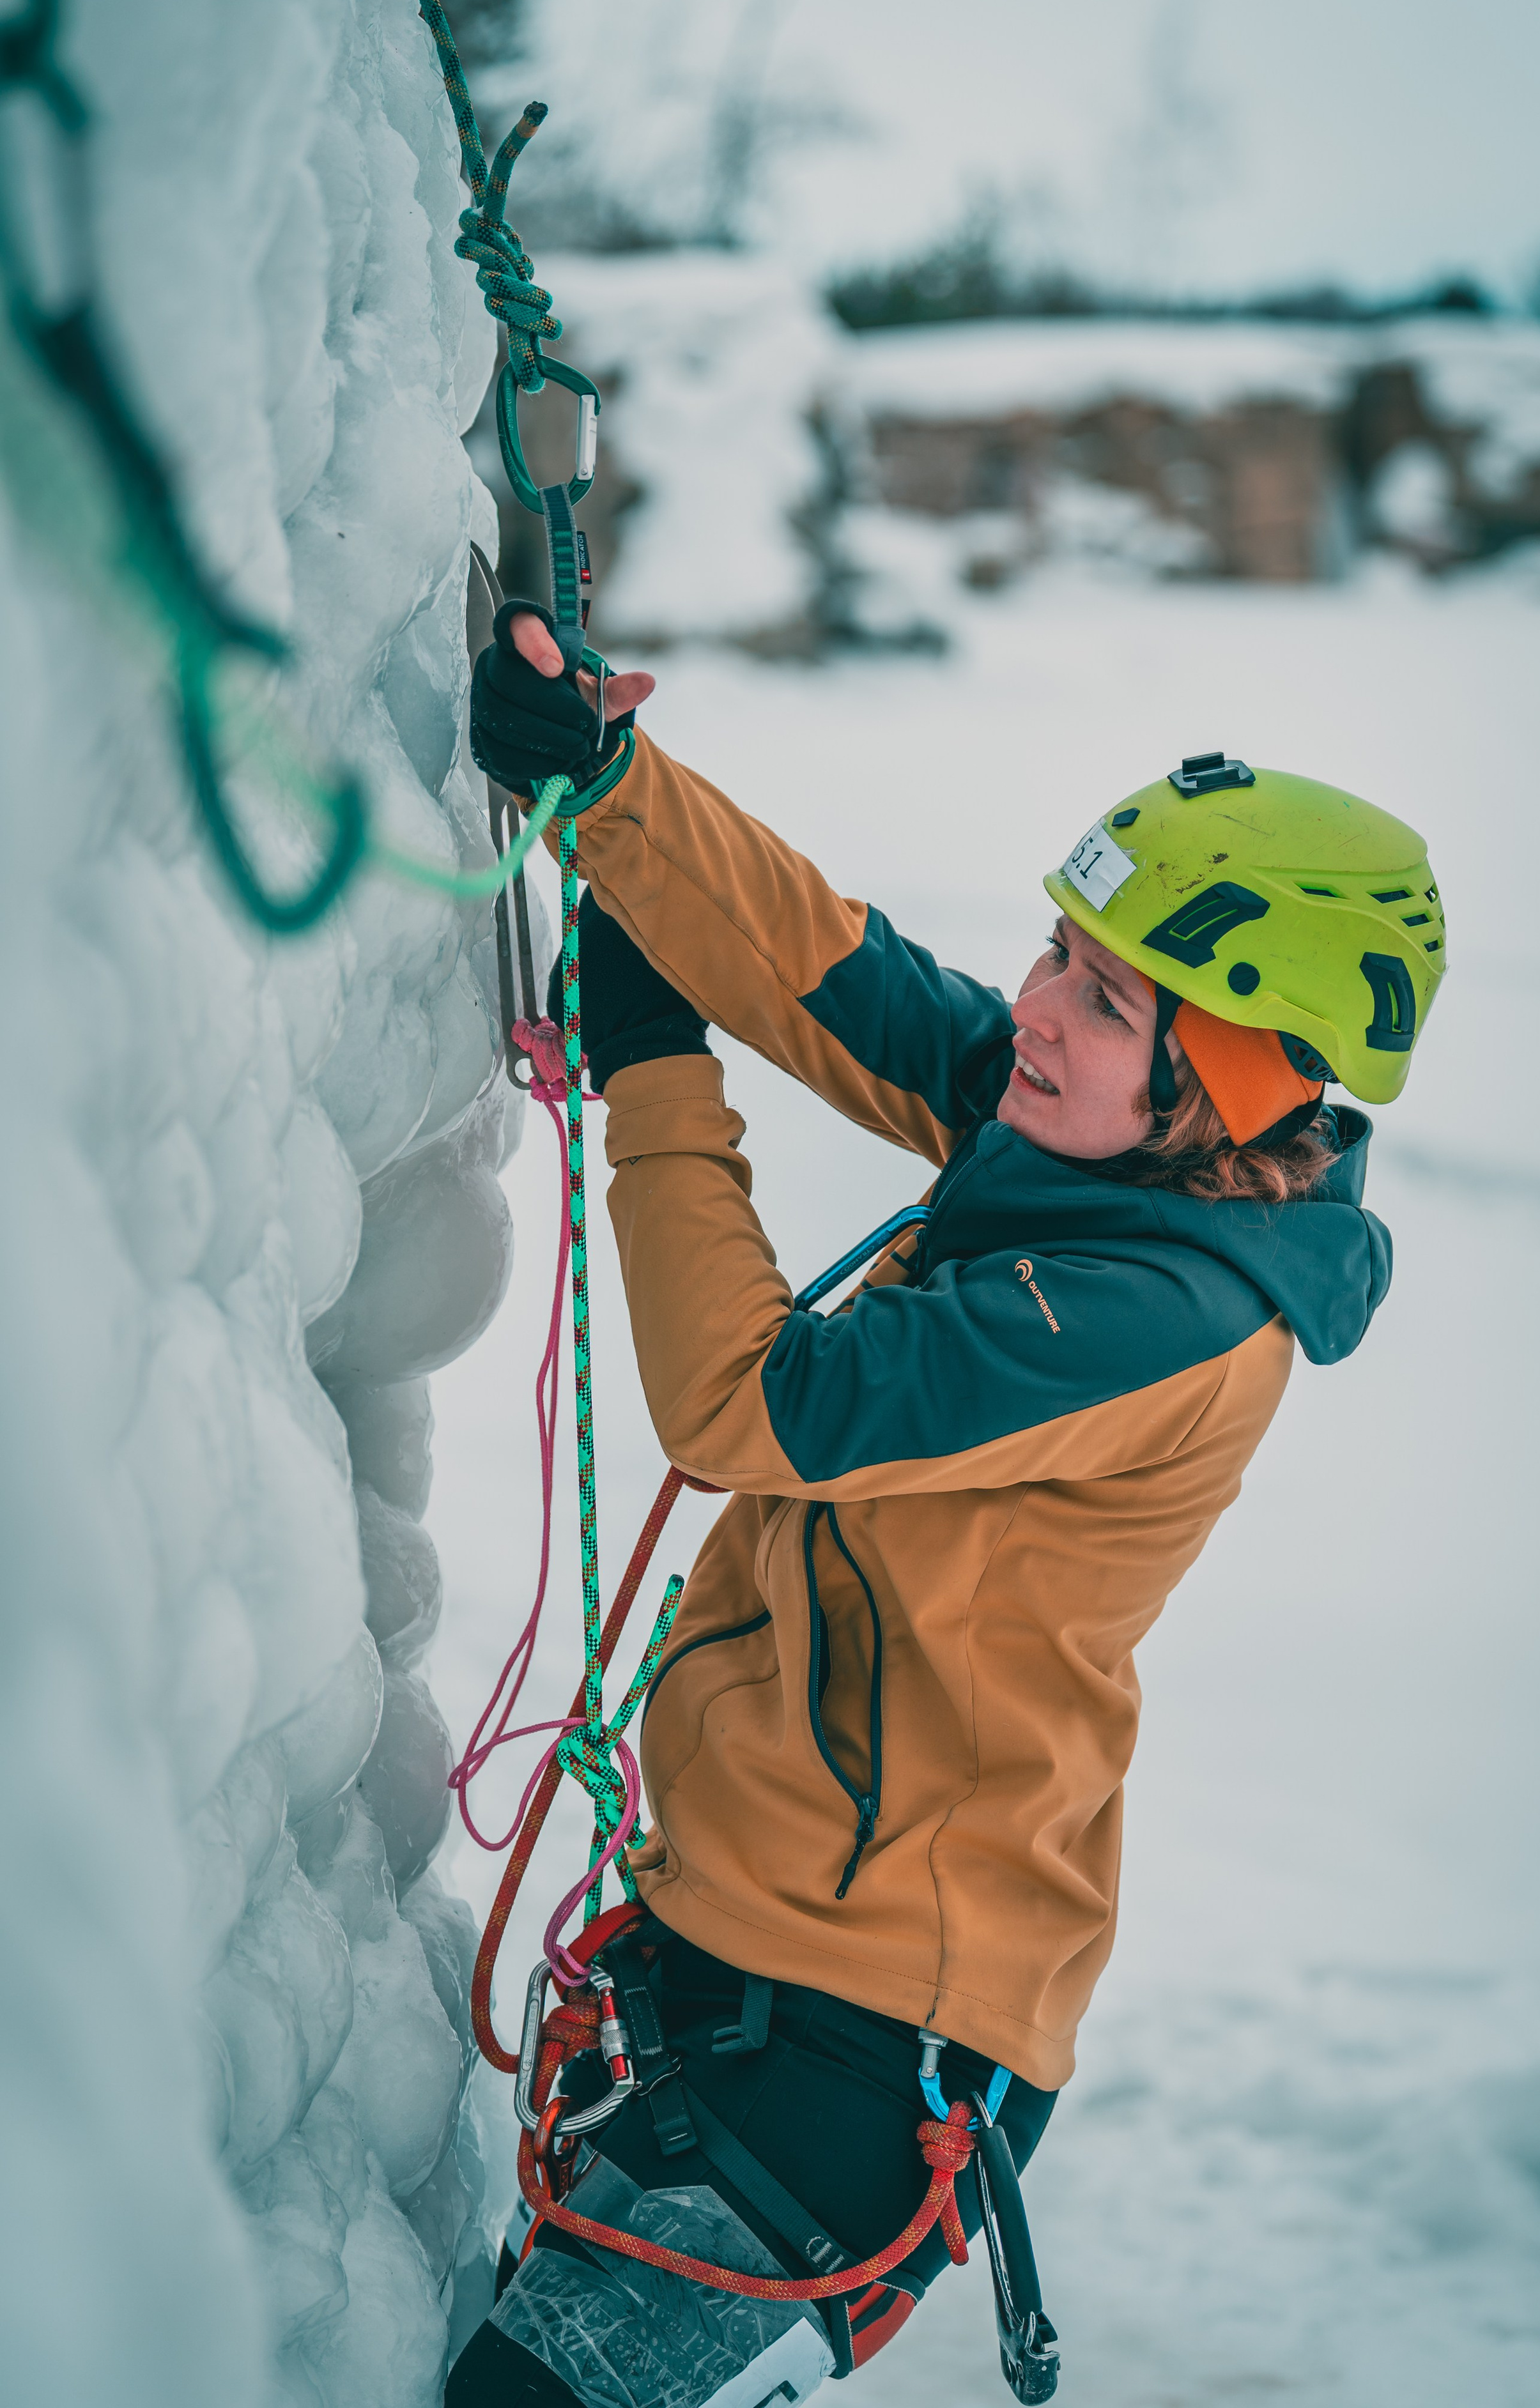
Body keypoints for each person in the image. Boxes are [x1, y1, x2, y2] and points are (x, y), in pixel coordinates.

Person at [447, 602, 1445, 2407]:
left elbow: (749, 1406)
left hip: (860, 2041)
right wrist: (614, 787)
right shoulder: (1115, 1145)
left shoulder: (1162, 1316)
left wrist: (656, 1065)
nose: (1039, 1009)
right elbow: (854, 983)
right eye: (1065, 952)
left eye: (1106, 994)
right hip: (743, 1948)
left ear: (1222, 1079)